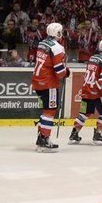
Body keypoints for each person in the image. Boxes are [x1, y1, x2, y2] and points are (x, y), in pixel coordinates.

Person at [31, 22, 69, 152]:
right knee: (49, 111)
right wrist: (66, 72)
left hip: (37, 82)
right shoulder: (57, 47)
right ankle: (45, 140)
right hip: (49, 84)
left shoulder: (42, 43)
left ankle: (40, 137)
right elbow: (60, 72)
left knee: (45, 111)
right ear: (58, 33)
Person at [69, 38, 102, 146]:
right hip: (97, 92)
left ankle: (74, 135)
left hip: (86, 90)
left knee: (84, 113)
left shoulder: (92, 58)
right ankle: (98, 135)